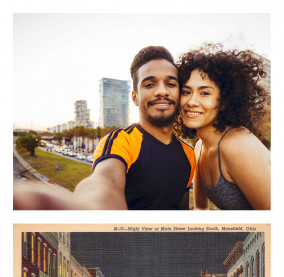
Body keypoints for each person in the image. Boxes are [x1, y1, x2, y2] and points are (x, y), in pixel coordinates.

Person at [14, 46, 196, 210]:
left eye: (171, 83)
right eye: (149, 84)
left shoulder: (189, 154)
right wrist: (91, 210)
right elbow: (104, 181)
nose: (162, 91)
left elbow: (181, 208)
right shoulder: (121, 141)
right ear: (134, 97)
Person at [176, 47, 271, 210]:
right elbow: (201, 210)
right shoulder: (199, 148)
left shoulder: (239, 146)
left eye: (204, 93)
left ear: (224, 101)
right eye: (186, 92)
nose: (191, 101)